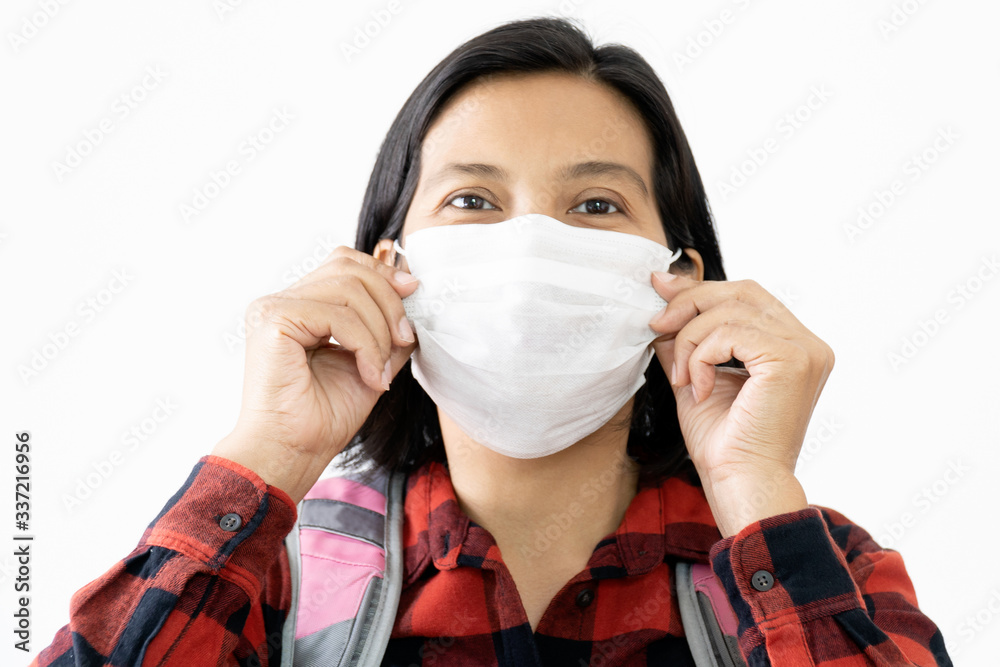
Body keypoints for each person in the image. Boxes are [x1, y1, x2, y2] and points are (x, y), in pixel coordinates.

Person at [32, 16, 952, 667]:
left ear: (679, 278)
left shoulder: (827, 572)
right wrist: (270, 450)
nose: (529, 246)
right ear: (389, 267)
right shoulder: (271, 579)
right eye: (472, 199)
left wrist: (752, 482)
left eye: (596, 204)